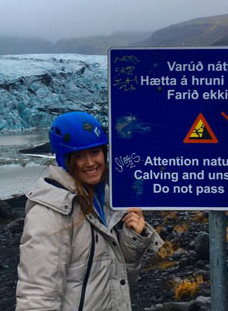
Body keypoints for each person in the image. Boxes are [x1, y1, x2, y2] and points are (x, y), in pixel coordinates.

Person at [16, 111, 163, 310]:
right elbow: (37, 294)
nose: (90, 162)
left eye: (95, 152)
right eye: (79, 156)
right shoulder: (50, 213)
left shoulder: (108, 201)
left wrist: (131, 241)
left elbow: (116, 282)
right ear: (64, 159)